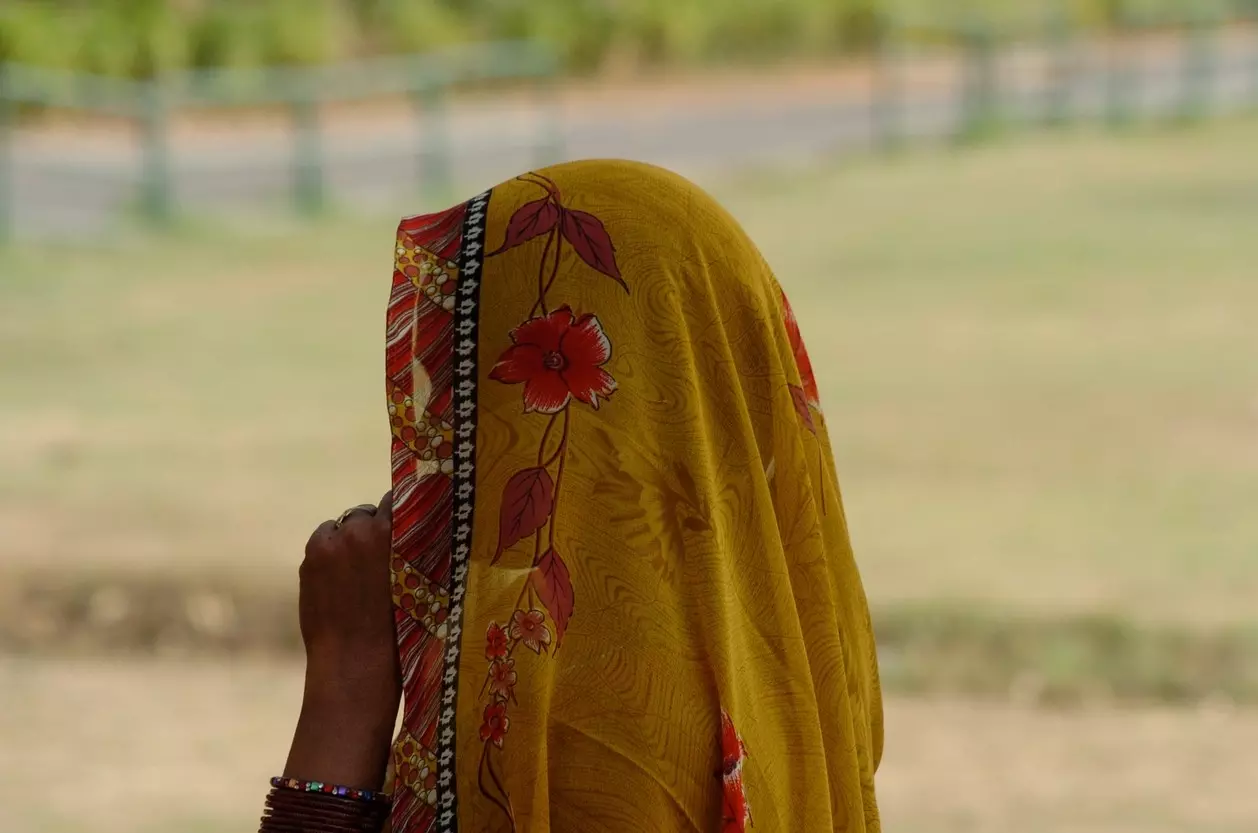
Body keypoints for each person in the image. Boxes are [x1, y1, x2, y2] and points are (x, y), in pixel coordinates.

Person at [259, 160, 883, 833]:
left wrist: (344, 692)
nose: (439, 446)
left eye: (473, 395)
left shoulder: (570, 739)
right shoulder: (797, 687)